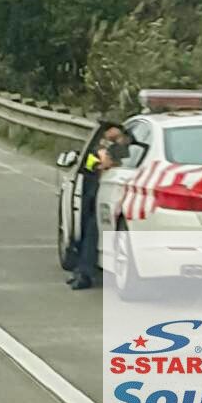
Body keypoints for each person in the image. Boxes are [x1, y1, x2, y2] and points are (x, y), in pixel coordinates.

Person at [68, 122, 126, 290]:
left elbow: (108, 164)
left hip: (112, 195)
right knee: (87, 231)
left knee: (91, 232)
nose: (110, 138)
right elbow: (93, 165)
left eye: (115, 135)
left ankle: (84, 273)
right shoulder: (99, 150)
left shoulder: (125, 149)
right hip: (98, 195)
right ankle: (81, 270)